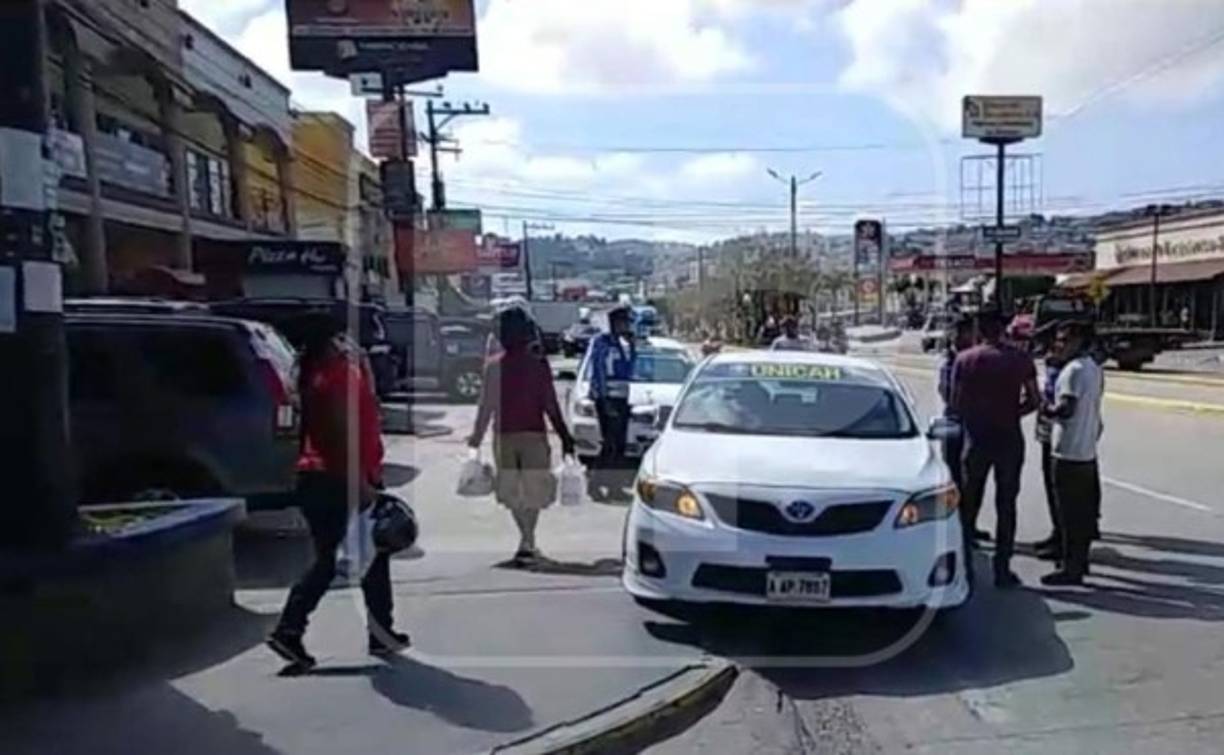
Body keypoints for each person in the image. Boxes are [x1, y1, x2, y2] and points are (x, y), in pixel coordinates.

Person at [268, 313, 404, 670]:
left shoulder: (314, 370)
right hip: (340, 477)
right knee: (342, 558)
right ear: (335, 337)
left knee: (361, 554)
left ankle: (379, 632)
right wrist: (360, 482)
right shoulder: (336, 373)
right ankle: (290, 629)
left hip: (320, 476)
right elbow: (343, 432)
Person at [469, 308, 576, 565]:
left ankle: (526, 539)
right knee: (534, 491)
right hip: (533, 435)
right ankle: (528, 539)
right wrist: (564, 436)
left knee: (511, 492)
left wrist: (475, 437)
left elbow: (487, 405)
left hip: (504, 436)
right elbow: (550, 404)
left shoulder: (494, 366)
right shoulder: (537, 364)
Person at [952, 308, 1041, 589]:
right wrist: (1012, 412)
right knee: (1007, 504)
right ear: (1003, 329)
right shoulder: (1020, 359)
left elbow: (956, 403)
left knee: (969, 503)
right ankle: (1002, 569)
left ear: (980, 329)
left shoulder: (965, 360)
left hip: (977, 438)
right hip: (1009, 438)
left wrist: (977, 416)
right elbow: (1034, 399)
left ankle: (965, 567)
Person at [1040, 322, 1105, 586]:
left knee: (1068, 514)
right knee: (1081, 513)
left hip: (1067, 452)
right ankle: (1079, 560)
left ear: (1079, 342)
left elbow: (1066, 409)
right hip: (1086, 451)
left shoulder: (1072, 371)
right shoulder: (1093, 368)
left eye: (1065, 340)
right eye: (1058, 339)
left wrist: (1047, 409)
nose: (1059, 344)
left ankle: (1071, 567)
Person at [938, 316, 984, 538]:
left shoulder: (977, 358)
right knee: (956, 479)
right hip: (956, 426)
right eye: (964, 333)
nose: (969, 338)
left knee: (973, 480)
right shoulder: (951, 361)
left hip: (974, 426)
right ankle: (957, 529)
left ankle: (969, 526)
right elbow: (947, 393)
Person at [587, 305, 637, 499]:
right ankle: (595, 485)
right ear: (614, 323)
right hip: (608, 399)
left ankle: (615, 486)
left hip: (623, 398)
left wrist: (632, 347)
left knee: (620, 444)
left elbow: (629, 369)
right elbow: (598, 370)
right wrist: (603, 399)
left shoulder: (622, 345)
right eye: (623, 322)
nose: (626, 326)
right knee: (610, 444)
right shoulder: (602, 342)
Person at [1034, 347, 1067, 561]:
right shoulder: (1056, 369)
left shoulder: (1065, 373)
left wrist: (1044, 407)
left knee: (1059, 490)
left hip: (1057, 437)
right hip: (1048, 434)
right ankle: (1057, 534)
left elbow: (1060, 407)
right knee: (1052, 486)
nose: (1047, 353)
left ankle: (1062, 540)